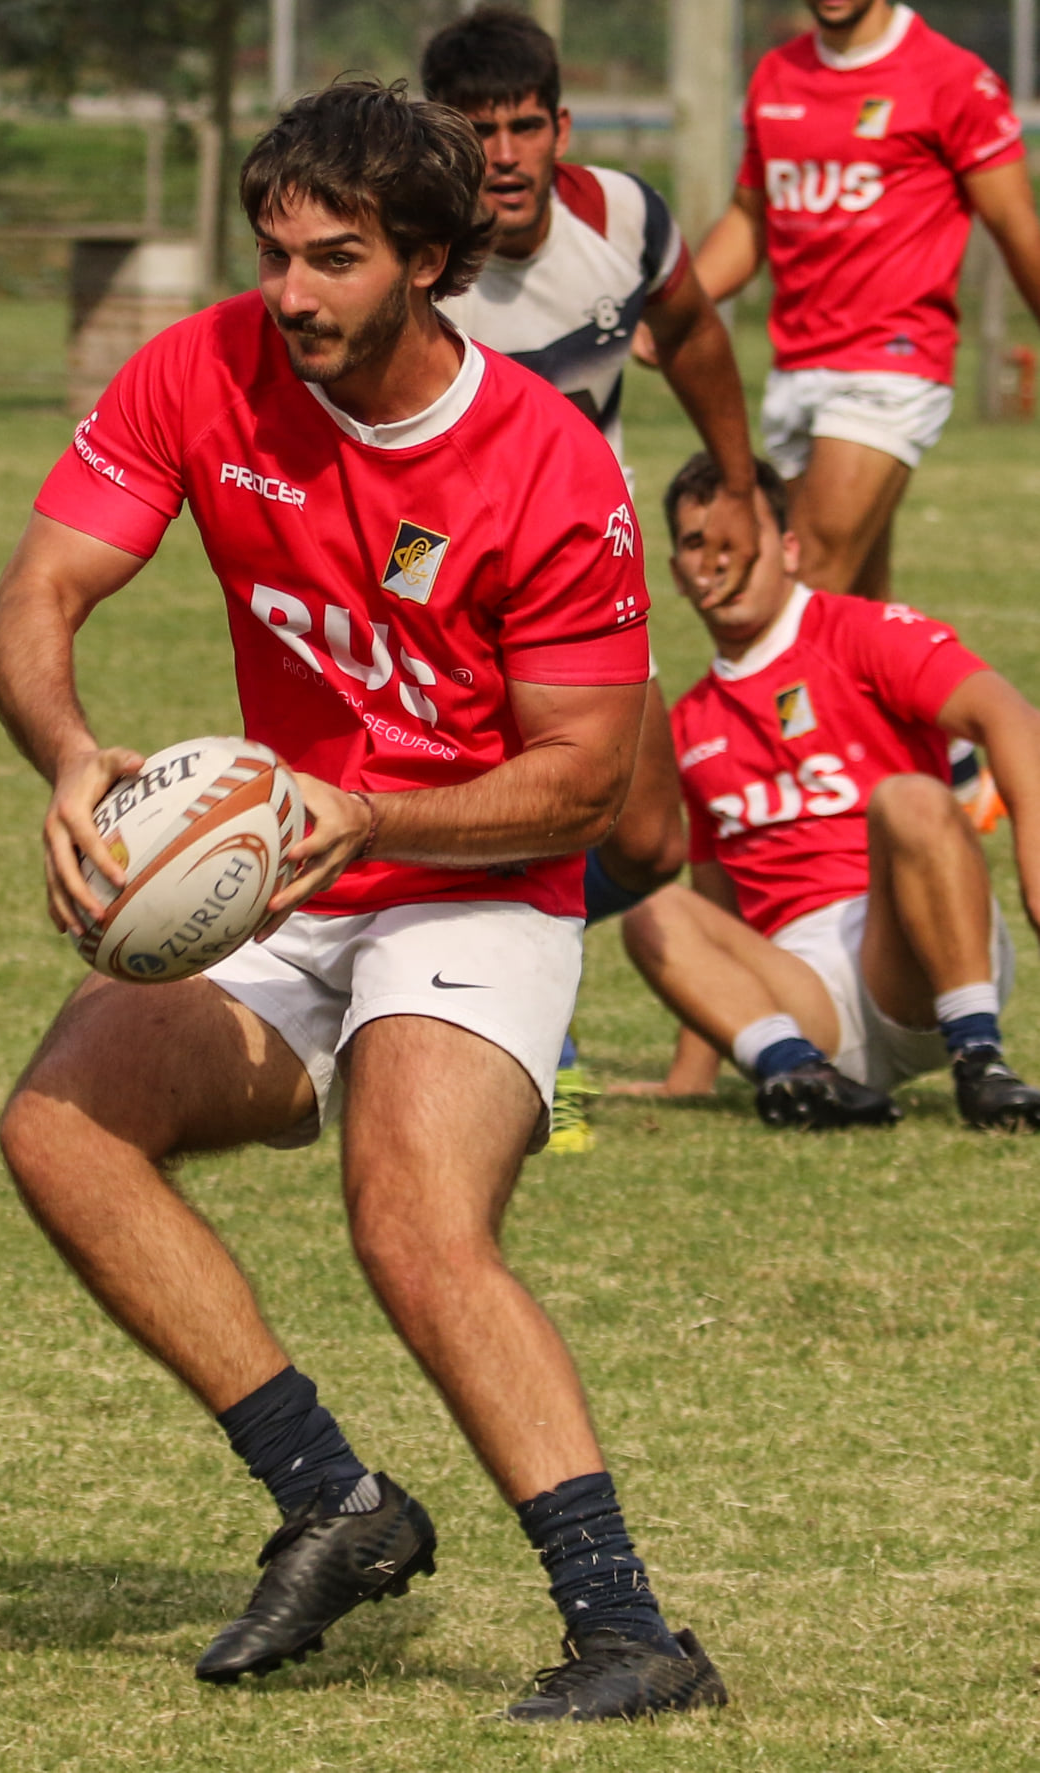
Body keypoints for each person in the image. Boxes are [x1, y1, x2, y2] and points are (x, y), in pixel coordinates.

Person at [0, 81, 726, 1723]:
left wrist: (375, 808)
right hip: (279, 868)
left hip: (471, 876)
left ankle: (629, 1630)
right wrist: (67, 751)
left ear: (433, 266)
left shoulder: (545, 464)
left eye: (334, 260)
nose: (292, 294)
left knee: (410, 1217)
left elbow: (587, 778)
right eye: (274, 254)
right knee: (59, 1121)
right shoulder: (208, 370)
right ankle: (335, 1500)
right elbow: (41, 581)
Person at [420, 6, 760, 1144]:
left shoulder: (622, 217)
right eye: (478, 132)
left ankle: (523, 942)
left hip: (587, 574)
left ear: (561, 126)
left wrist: (738, 478)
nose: (505, 155)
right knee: (522, 817)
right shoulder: (414, 265)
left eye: (524, 126)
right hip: (447, 585)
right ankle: (524, 1048)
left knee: (649, 840)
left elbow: (695, 334)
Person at [621, 450, 1040, 1132]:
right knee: (651, 908)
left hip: (914, 948)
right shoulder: (690, 722)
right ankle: (801, 1073)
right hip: (807, 992)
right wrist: (688, 1076)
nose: (719, 559)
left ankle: (980, 1060)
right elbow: (717, 911)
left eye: (737, 535)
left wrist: (1034, 875)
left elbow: (1012, 718)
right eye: (697, 542)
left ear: (787, 548)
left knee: (906, 796)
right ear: (675, 573)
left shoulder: (858, 630)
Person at [693, 0, 1040, 606]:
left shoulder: (953, 78)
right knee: (858, 608)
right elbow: (750, 222)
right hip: (796, 367)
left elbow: (1015, 224)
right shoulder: (777, 73)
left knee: (798, 584)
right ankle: (895, 703)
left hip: (891, 360)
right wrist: (674, 307)